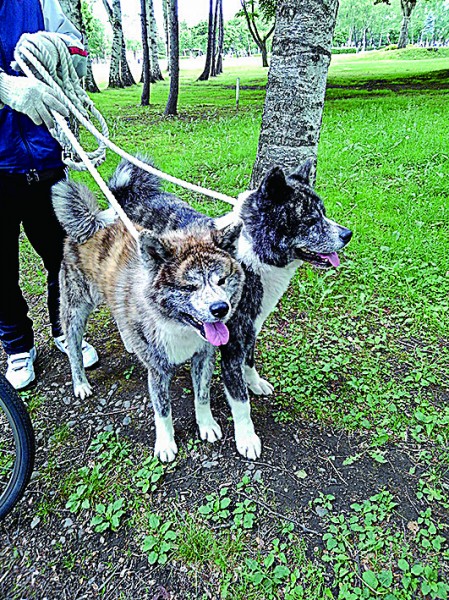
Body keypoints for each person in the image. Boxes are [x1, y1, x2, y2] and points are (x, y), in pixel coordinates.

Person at [0, 0, 98, 390]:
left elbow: (76, 49)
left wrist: (60, 51)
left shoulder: (40, 1)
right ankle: (18, 346)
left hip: (46, 159)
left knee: (62, 256)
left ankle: (63, 327)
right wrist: (5, 87)